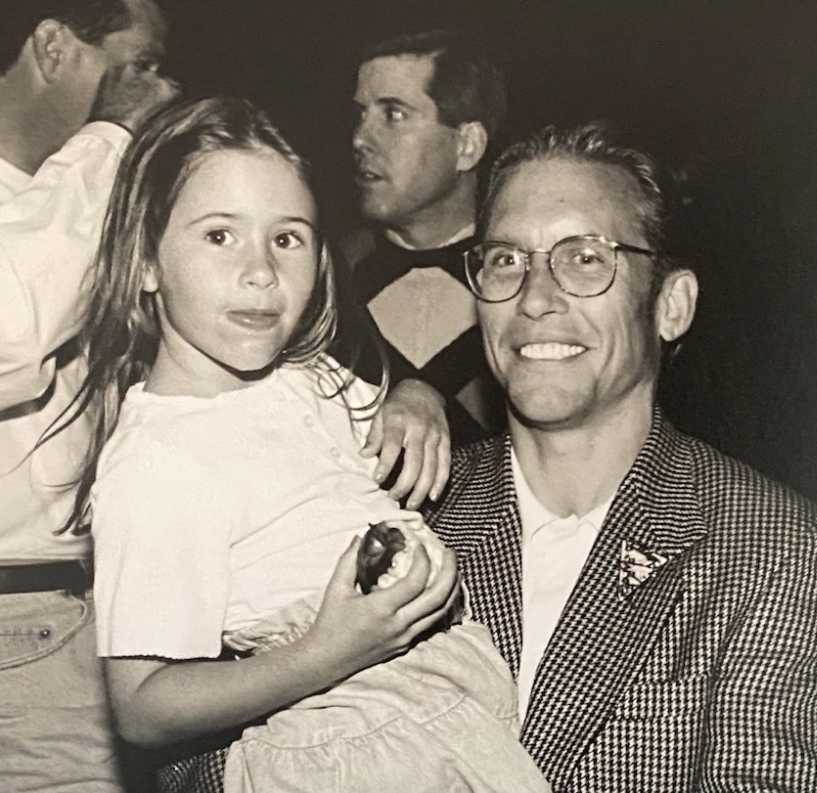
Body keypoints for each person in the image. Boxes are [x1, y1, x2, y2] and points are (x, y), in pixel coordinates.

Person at [71, 96, 549, 793]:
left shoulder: (308, 378)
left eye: (287, 238)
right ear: (145, 261)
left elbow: (376, 435)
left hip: (445, 707)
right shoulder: (158, 460)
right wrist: (327, 652)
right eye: (219, 236)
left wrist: (415, 400)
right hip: (346, 739)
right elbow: (142, 705)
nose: (261, 271)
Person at [428, 122, 817, 791]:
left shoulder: (770, 548)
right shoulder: (404, 514)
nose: (535, 298)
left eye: (585, 258)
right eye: (506, 259)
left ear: (670, 305)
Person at [0, 2, 176, 788]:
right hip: (20, 618)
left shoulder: (86, 206)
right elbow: (13, 330)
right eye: (136, 66)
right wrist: (115, 134)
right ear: (50, 44)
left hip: (57, 619)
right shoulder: (89, 182)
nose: (159, 87)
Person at [343, 29, 508, 445]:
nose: (360, 139)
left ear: (467, 145)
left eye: (393, 115)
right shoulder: (320, 277)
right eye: (361, 114)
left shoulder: (528, 289)